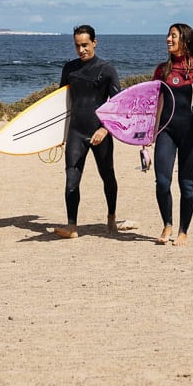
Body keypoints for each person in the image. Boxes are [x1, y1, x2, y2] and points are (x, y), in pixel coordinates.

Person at [55, 24, 131, 239]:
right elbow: (61, 104)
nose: (81, 50)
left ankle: (111, 218)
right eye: (78, 46)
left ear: (95, 42)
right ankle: (72, 226)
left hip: (100, 132)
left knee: (107, 176)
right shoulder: (69, 69)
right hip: (76, 132)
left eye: (85, 45)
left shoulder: (106, 69)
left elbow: (118, 105)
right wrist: (57, 135)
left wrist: (105, 129)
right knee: (71, 178)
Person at [151, 22, 193, 246]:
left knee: (186, 183)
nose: (168, 39)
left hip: (189, 130)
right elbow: (151, 100)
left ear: (185, 41)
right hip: (165, 131)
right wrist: (144, 131)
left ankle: (183, 231)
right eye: (168, 35)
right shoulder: (162, 70)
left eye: (174, 36)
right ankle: (167, 224)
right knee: (161, 181)